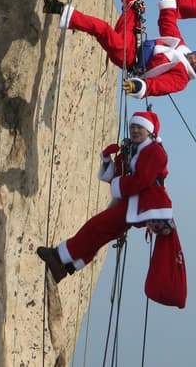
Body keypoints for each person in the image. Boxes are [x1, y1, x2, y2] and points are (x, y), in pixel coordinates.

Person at [36, 112, 173, 282]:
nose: (135, 130)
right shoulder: (133, 150)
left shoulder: (155, 152)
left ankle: (58, 257)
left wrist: (121, 184)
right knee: (101, 235)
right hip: (134, 202)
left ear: (149, 131)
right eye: (132, 127)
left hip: (143, 203)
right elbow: (117, 176)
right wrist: (108, 160)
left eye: (139, 127)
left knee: (97, 226)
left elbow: (141, 181)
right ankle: (67, 267)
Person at [44, 0, 196, 99]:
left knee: (102, 29)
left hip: (128, 57)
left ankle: (58, 8)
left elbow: (159, 86)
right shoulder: (180, 47)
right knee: (134, 7)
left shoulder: (181, 79)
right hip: (134, 41)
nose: (194, 60)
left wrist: (138, 87)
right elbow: (169, 24)